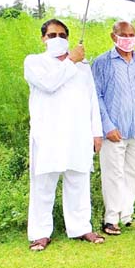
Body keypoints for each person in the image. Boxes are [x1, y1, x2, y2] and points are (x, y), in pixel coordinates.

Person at [25, 18, 105, 251]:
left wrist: (96, 132)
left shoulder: (83, 66)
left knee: (78, 180)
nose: (57, 39)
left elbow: (92, 100)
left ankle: (81, 227)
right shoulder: (35, 62)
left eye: (62, 35)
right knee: (43, 184)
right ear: (43, 39)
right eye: (52, 35)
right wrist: (71, 60)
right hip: (48, 134)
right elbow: (49, 84)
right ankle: (40, 233)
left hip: (78, 132)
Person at [92, 20, 135, 236]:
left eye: (131, 34)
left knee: (133, 172)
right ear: (113, 36)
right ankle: (111, 219)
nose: (128, 39)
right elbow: (96, 96)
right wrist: (106, 125)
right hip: (114, 130)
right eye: (123, 35)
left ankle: (127, 215)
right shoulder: (102, 62)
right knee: (113, 173)